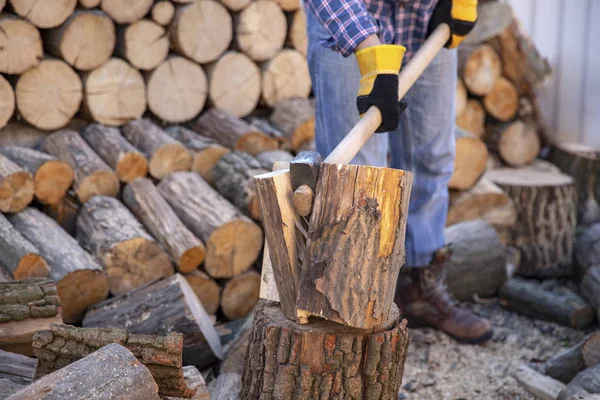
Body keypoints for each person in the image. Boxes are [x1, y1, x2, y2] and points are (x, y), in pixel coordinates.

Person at [303, 0, 493, 343]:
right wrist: (368, 49)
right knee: (357, 178)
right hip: (350, 22)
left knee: (432, 156)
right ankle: (356, 309)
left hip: (427, 18)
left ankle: (418, 289)